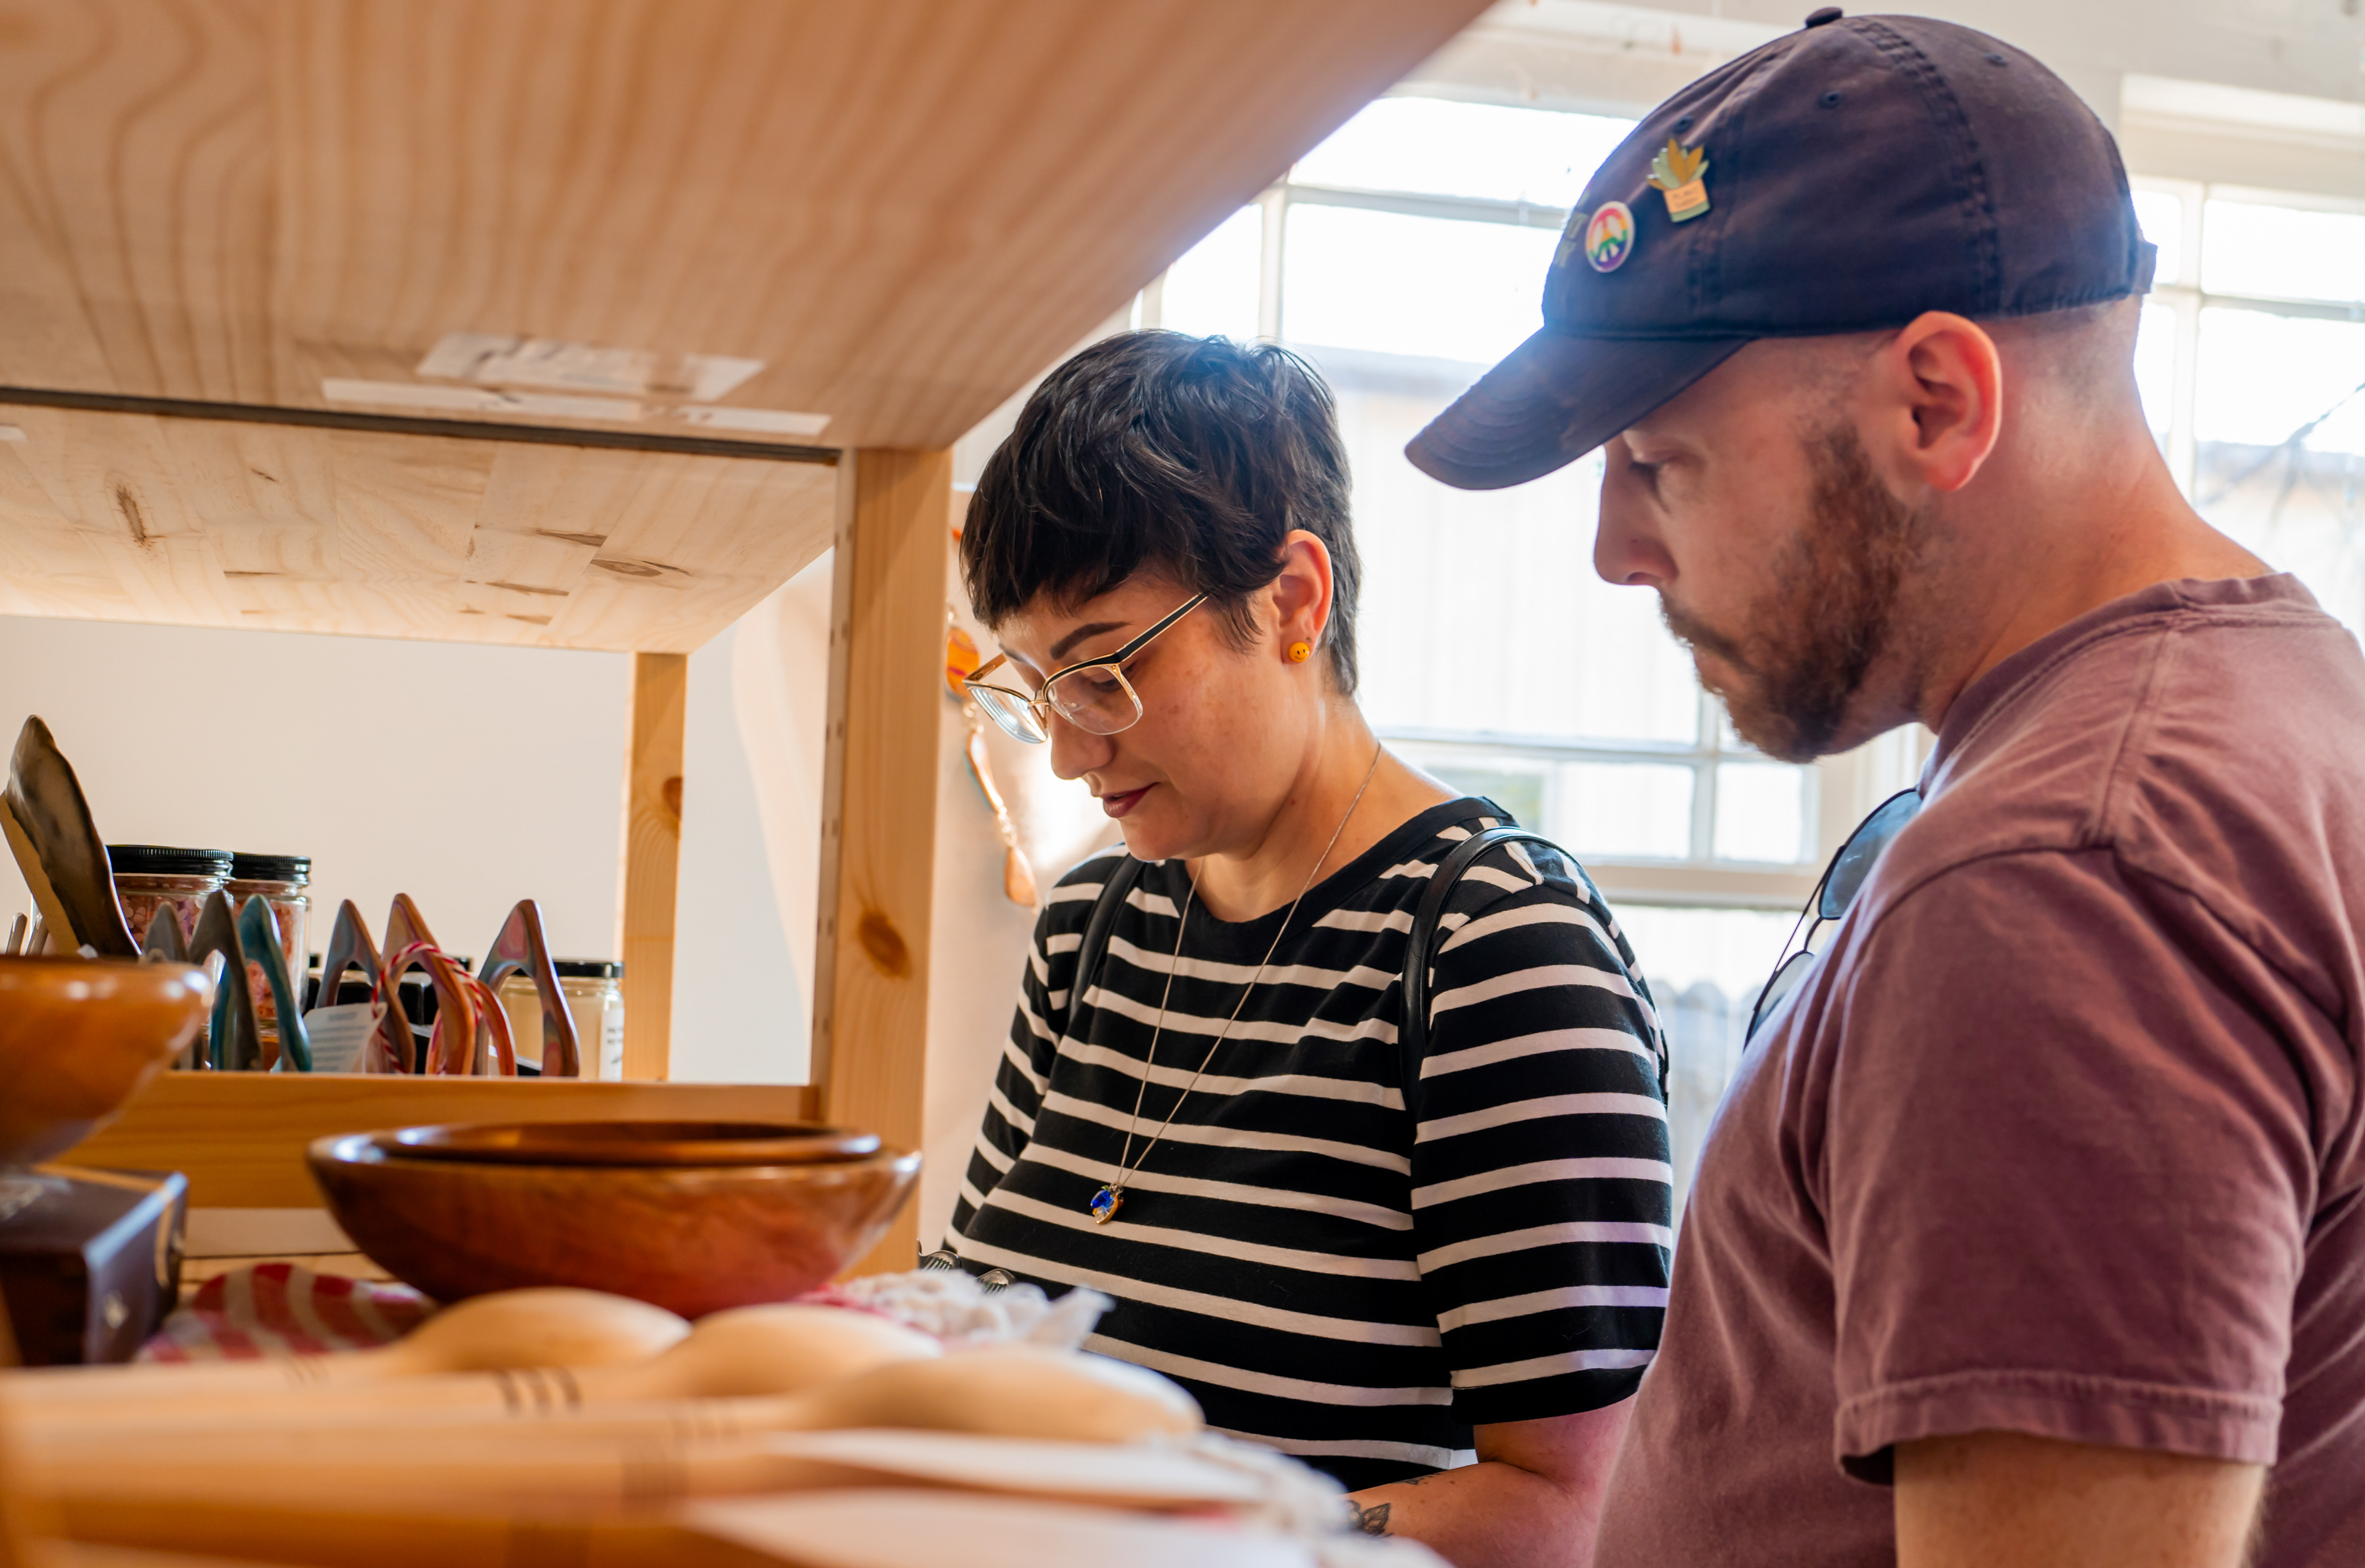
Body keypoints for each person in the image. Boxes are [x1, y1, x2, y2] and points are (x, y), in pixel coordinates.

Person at [1407, 10, 2365, 1568]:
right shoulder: (2264, 707)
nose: (1613, 550)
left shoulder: (2067, 871)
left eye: (1661, 461)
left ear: (1937, 403)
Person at [944, 330, 1671, 1567]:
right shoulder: (1090, 927)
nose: (1070, 748)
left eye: (1106, 668)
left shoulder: (1492, 952)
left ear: (1293, 598)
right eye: (1037, 687)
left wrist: (1162, 1542)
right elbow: (984, 1315)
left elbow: (1574, 1508)